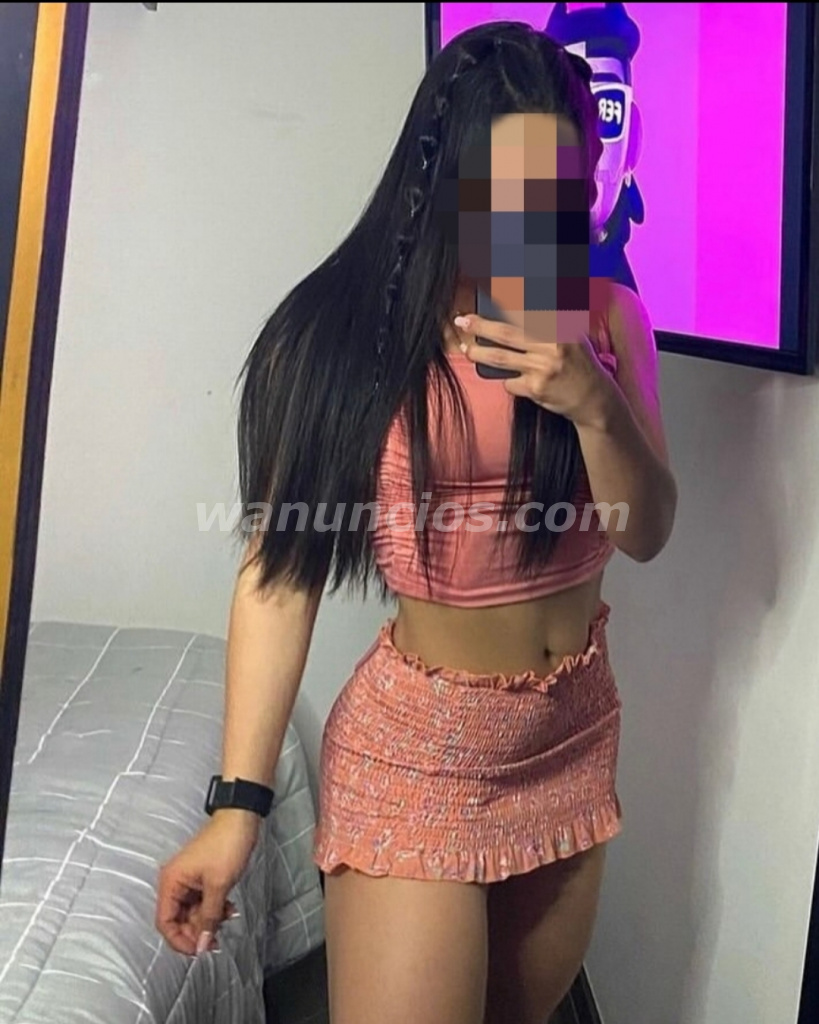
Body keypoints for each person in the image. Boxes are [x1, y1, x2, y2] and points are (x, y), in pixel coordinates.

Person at [155, 21, 676, 1024]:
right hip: (418, 758)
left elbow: (645, 530)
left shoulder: (609, 317)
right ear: (446, 185)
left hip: (570, 741)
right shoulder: (344, 337)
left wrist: (594, 404)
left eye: (565, 188)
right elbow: (279, 579)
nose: (543, 221)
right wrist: (238, 809)